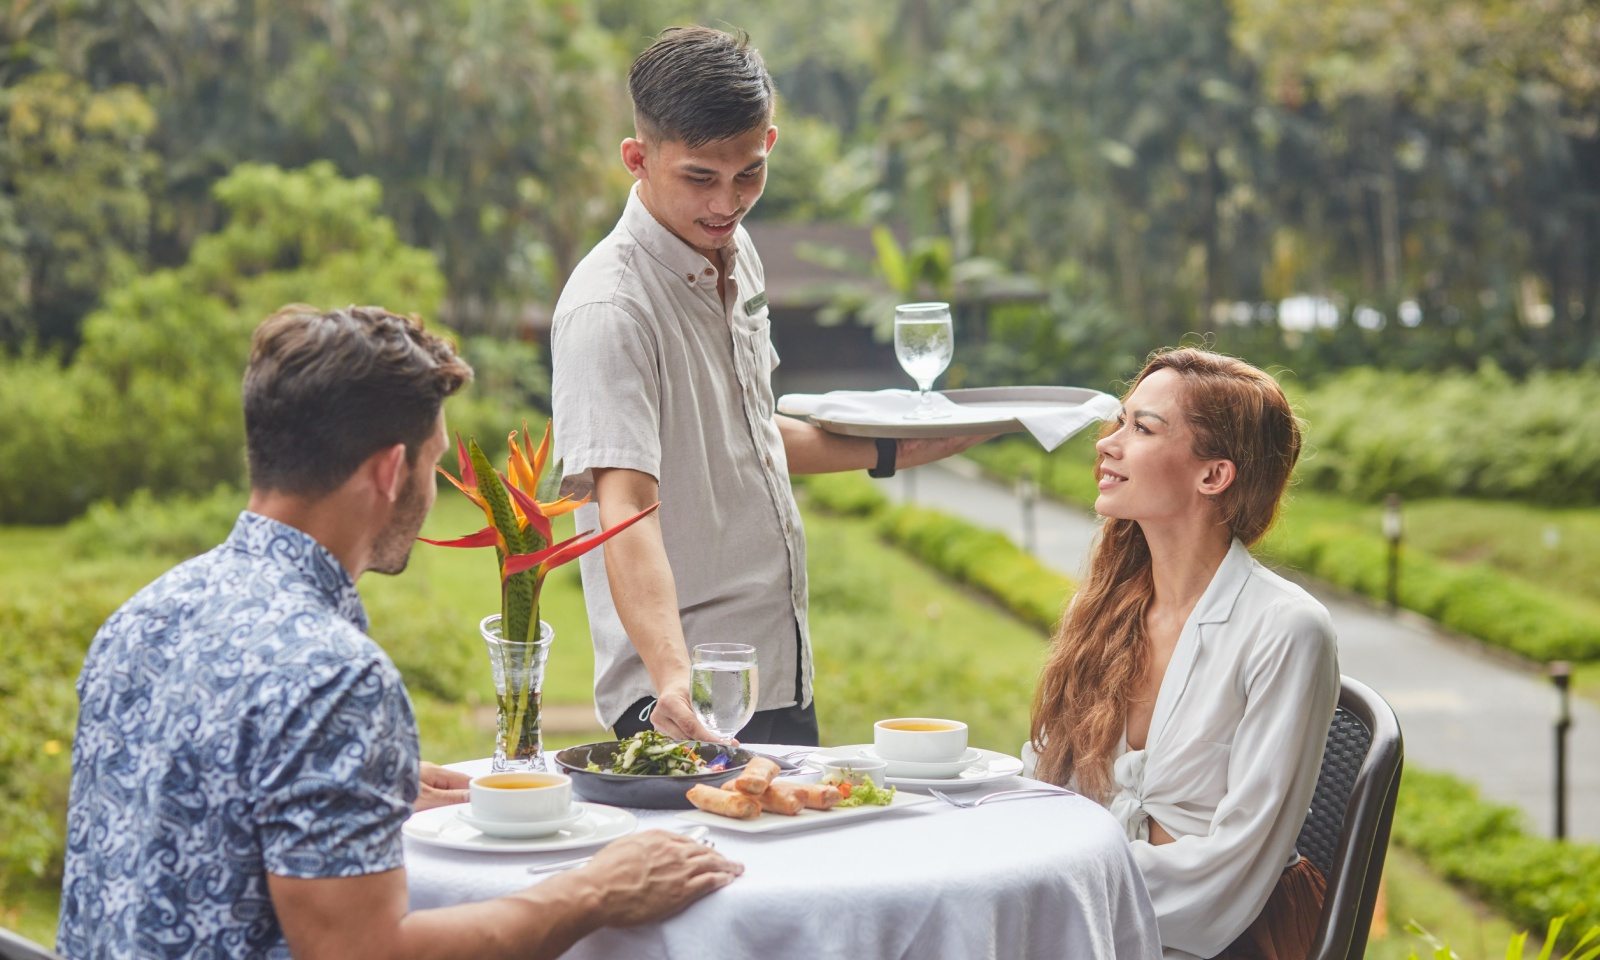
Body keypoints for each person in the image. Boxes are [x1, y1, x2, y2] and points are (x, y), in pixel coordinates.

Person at [58, 304, 742, 960]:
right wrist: (598, 888)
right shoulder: (332, 678)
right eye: (434, 461)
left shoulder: (140, 618)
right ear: (391, 469)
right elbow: (362, 953)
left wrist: (340, 788)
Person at [551, 26, 983, 746]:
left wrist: (893, 448)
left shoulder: (736, 251)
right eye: (700, 177)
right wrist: (671, 678)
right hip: (677, 702)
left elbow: (744, 433)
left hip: (775, 674)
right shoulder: (610, 309)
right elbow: (623, 502)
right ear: (638, 158)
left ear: (769, 144)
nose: (728, 203)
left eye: (748, 174)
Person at [1027, 348, 1339, 960]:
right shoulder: (1103, 612)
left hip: (1227, 939)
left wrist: (1055, 893)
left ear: (1214, 475)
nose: (1107, 444)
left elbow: (1231, 869)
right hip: (1094, 918)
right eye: (1119, 421)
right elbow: (1050, 780)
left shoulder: (1287, 628)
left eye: (1141, 428)